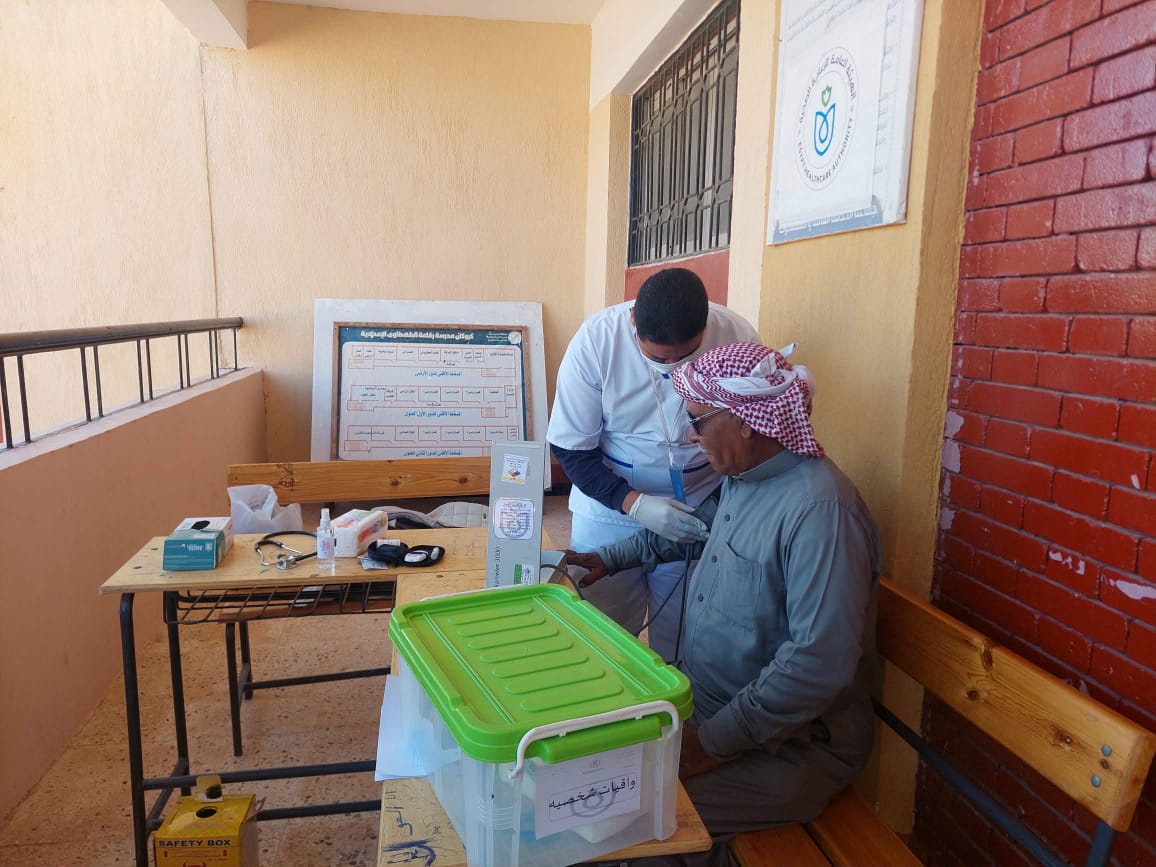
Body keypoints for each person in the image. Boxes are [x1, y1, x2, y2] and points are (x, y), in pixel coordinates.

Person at [566, 341, 883, 867]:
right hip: (709, 713)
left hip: (790, 748)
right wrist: (611, 558)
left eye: (697, 420)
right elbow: (690, 530)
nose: (690, 435)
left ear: (747, 422)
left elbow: (817, 662)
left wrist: (709, 745)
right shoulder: (744, 479)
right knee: (578, 776)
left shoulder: (822, 512)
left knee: (628, 821)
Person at [547, 268, 758, 662]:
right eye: (659, 358)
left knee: (685, 632)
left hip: (698, 503)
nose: (672, 366)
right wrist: (635, 504)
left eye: (685, 355)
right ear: (633, 322)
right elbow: (571, 448)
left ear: (706, 328)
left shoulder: (736, 336)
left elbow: (751, 436)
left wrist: (714, 507)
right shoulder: (597, 341)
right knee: (603, 630)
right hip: (609, 505)